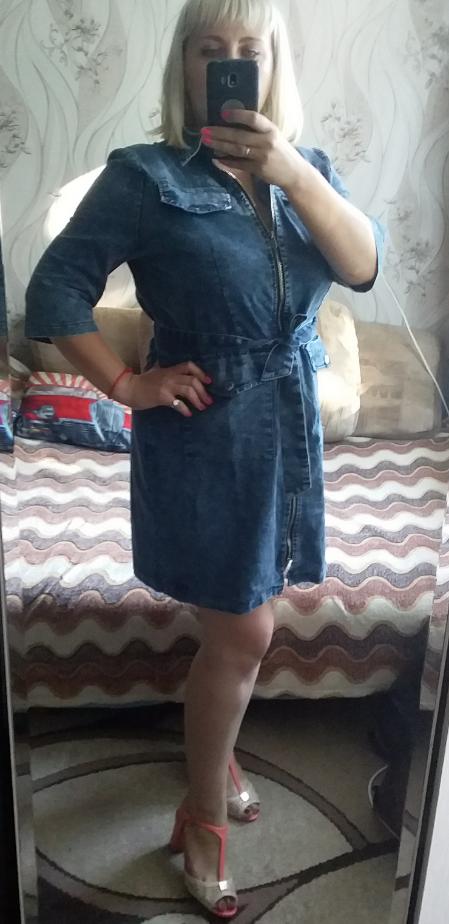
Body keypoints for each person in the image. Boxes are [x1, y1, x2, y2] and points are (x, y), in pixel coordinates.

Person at [24, 0, 386, 916]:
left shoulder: (309, 172)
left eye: (249, 50)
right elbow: (55, 290)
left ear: (274, 66)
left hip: (288, 425)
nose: (230, 63)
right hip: (206, 429)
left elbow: (361, 265)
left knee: (245, 612)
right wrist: (125, 383)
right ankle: (200, 818)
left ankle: (212, 760)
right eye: (209, 49)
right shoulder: (143, 176)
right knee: (245, 631)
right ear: (183, 66)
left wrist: (289, 170)